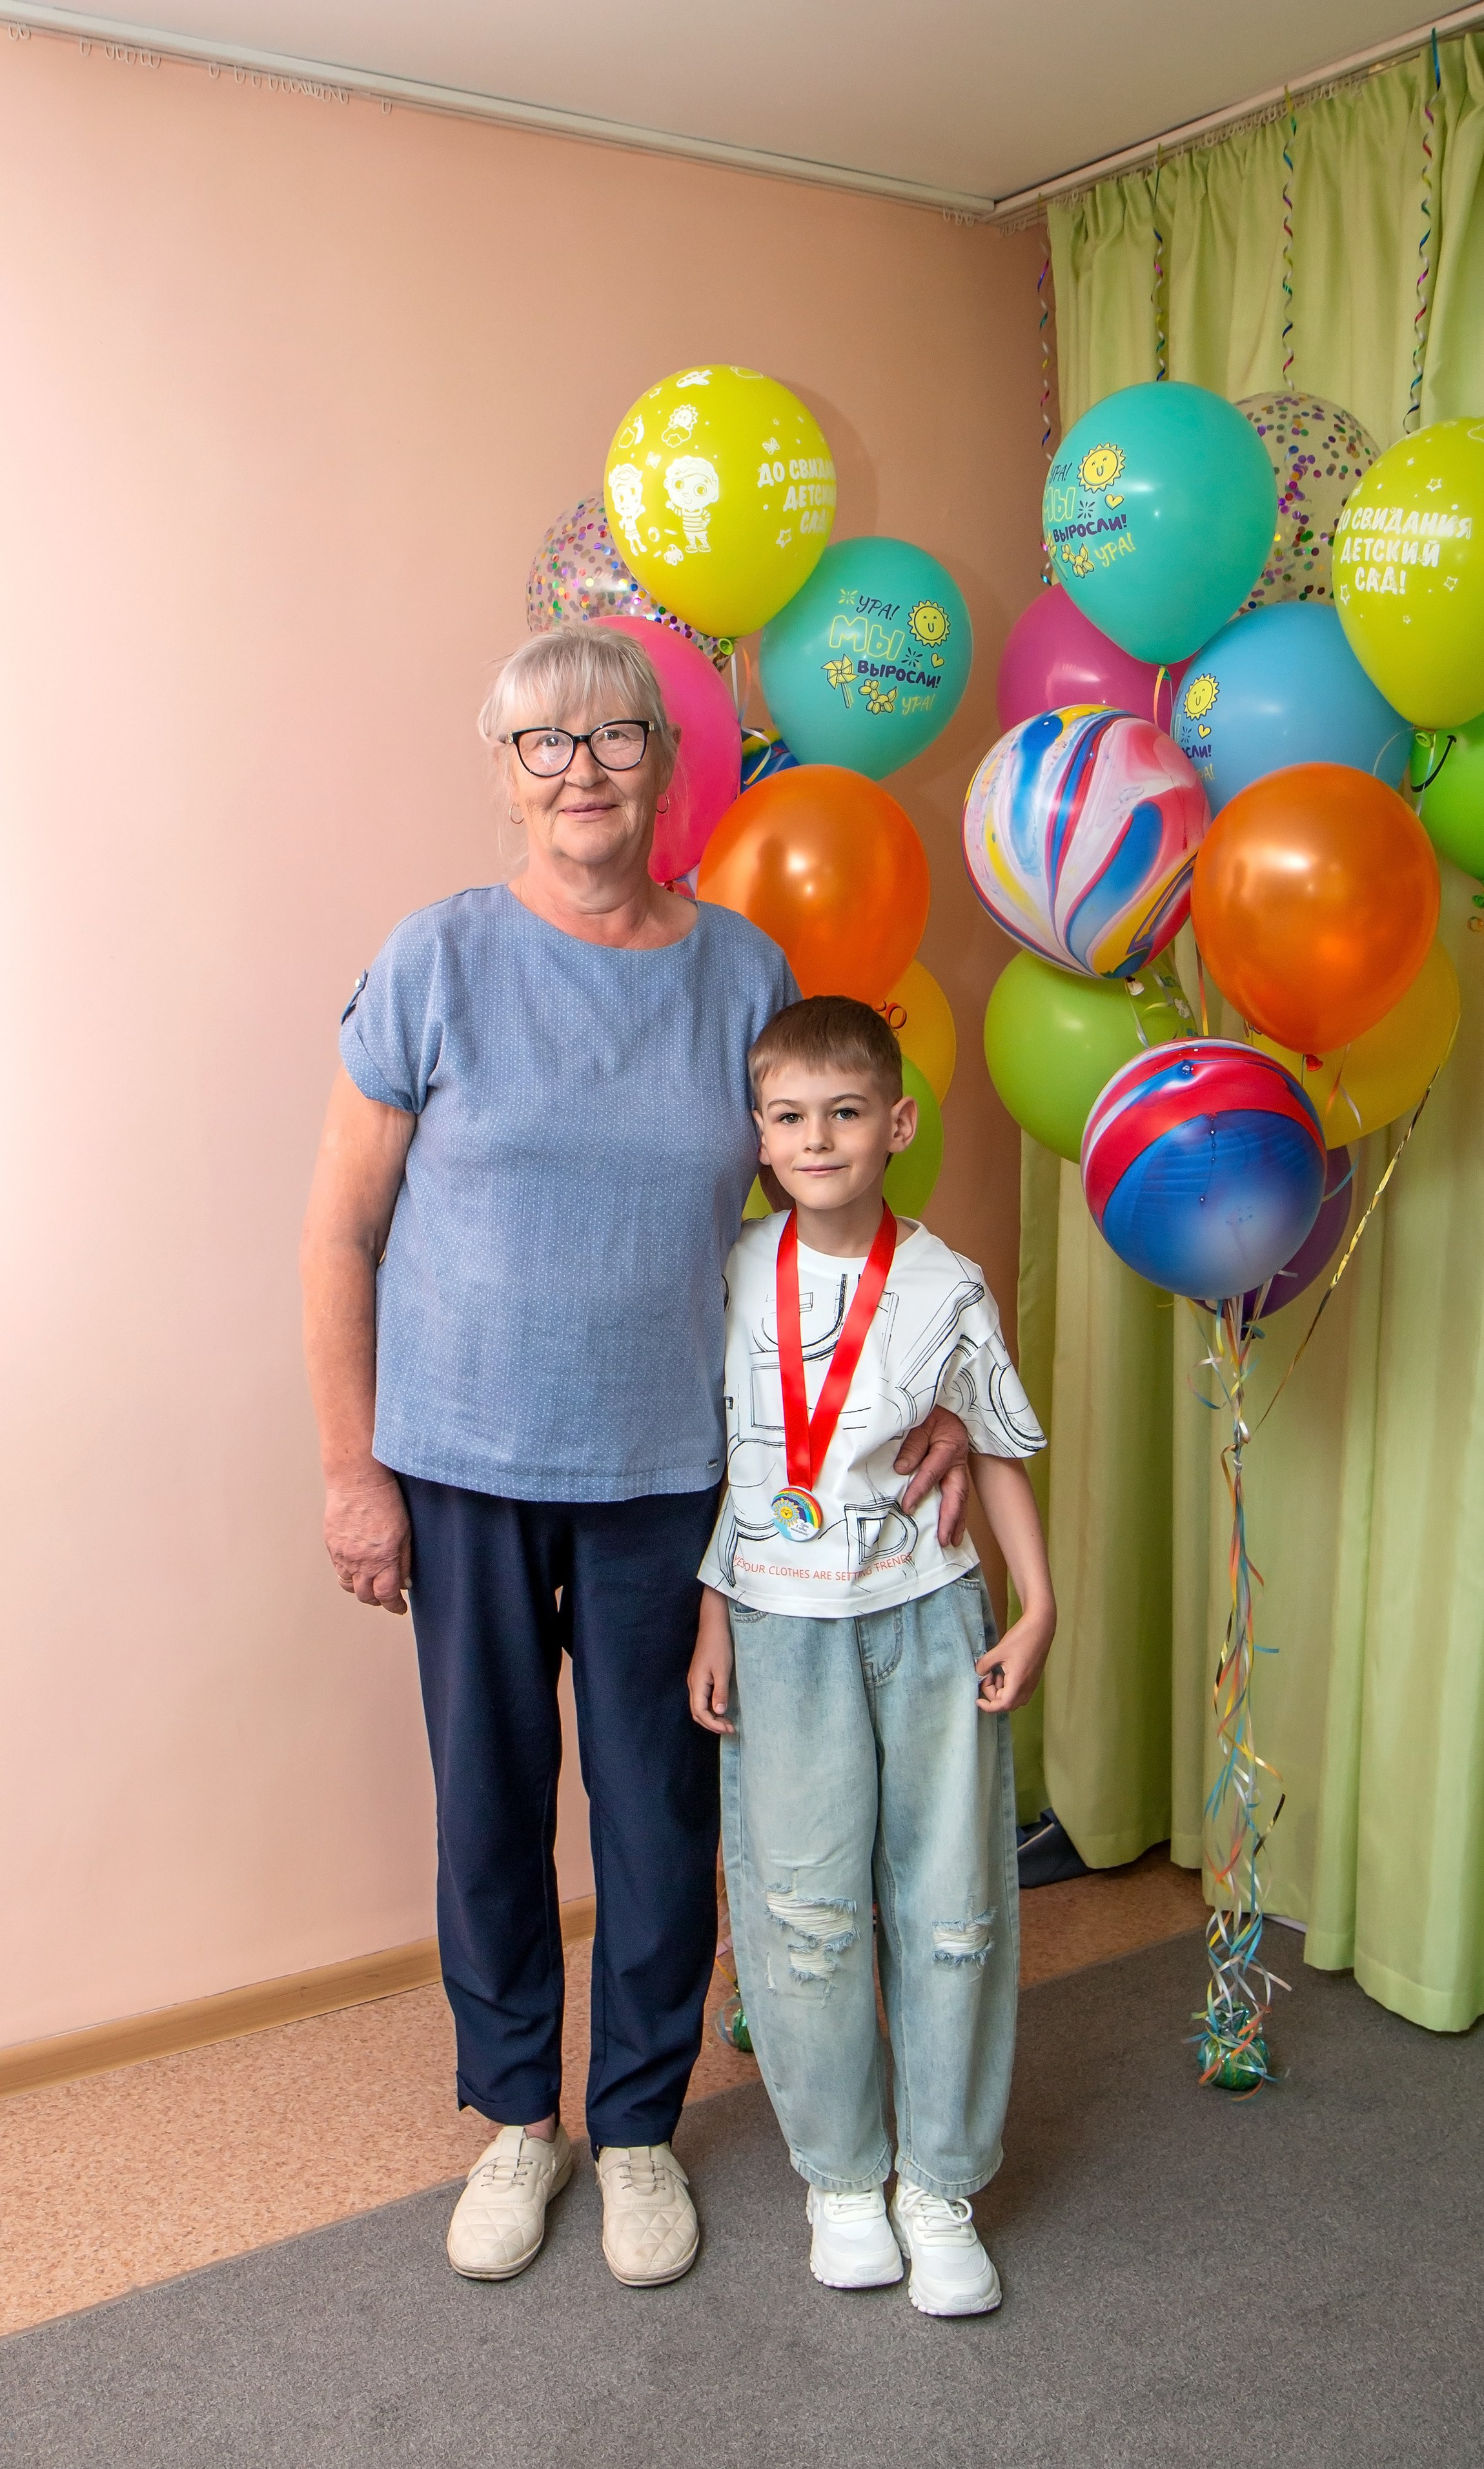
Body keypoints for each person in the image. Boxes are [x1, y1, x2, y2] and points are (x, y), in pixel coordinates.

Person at [299, 624, 972, 2291]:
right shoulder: (437, 959)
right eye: (546, 744)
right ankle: (519, 2121)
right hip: (458, 1462)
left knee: (666, 1813)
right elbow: (338, 1230)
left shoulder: (743, 972)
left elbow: (819, 1224)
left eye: (614, 738)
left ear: (665, 768)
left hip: (673, 1473)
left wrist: (922, 1381)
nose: (583, 769)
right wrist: (350, 1470)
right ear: (506, 776)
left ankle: (643, 2127)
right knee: (493, 1805)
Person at [689, 995, 1056, 2317]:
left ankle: (940, 2185)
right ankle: (842, 2178)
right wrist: (713, 1611)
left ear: (895, 1122)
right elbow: (717, 1463)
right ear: (759, 1137)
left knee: (950, 1897)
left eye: (845, 1112)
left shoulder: (943, 1282)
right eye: (789, 1117)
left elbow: (994, 1445)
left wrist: (1038, 1605)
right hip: (780, 1624)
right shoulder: (728, 1272)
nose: (819, 1137)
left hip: (926, 1613)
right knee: (803, 1906)